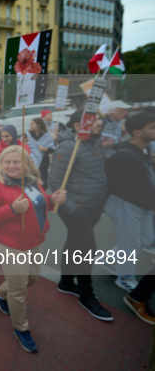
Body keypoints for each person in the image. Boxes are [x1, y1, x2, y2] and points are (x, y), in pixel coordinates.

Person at [0, 145, 66, 353]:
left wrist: (52, 201)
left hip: (35, 240)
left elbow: (39, 204)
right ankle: (21, 328)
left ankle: (0, 293)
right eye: (7, 162)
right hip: (11, 244)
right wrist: (11, 209)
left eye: (16, 161)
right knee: (18, 292)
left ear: (25, 163)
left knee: (32, 279)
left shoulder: (33, 181)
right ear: (1, 163)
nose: (11, 166)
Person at [48, 110, 113, 322]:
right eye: (94, 120)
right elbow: (55, 183)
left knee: (74, 244)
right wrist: (73, 209)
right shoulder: (69, 146)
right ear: (78, 125)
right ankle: (87, 295)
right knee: (87, 250)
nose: (100, 123)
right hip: (76, 209)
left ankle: (66, 282)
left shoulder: (94, 143)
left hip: (93, 208)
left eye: (100, 119)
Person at [104, 112, 155, 291]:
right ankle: (125, 278)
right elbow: (121, 187)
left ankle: (110, 258)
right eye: (152, 127)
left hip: (144, 204)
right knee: (129, 244)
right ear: (137, 132)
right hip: (125, 204)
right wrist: (148, 201)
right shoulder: (124, 155)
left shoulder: (145, 149)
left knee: (148, 237)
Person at [26, 118, 55, 188]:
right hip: (31, 159)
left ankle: (43, 190)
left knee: (43, 176)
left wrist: (46, 149)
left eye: (32, 124)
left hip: (43, 160)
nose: (30, 126)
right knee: (33, 176)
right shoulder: (27, 134)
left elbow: (52, 148)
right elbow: (21, 145)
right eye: (30, 124)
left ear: (39, 125)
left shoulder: (47, 135)